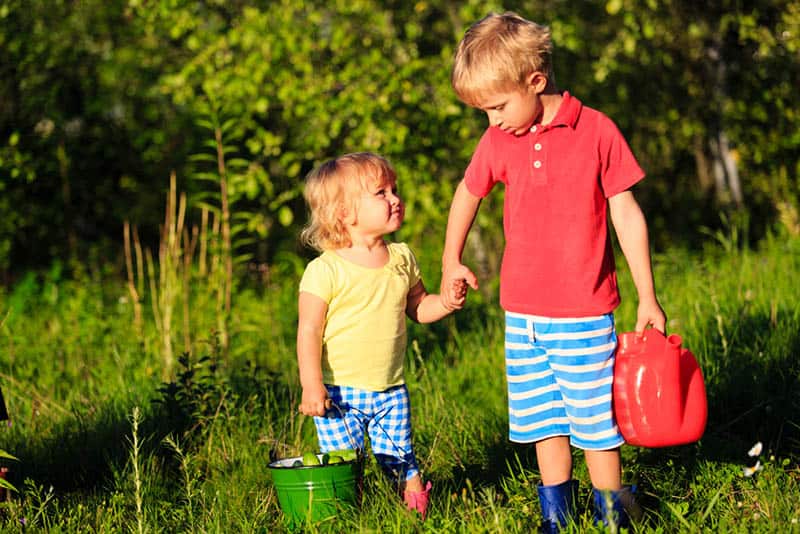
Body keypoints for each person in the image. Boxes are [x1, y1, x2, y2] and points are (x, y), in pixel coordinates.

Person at [441, 11, 666, 532]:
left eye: (497, 106)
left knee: (595, 426)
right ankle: (556, 518)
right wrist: (451, 257)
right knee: (545, 422)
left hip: (584, 315)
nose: (491, 121)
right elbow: (468, 191)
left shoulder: (596, 131)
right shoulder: (500, 140)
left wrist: (647, 295)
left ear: (535, 82)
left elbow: (627, 214)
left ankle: (612, 514)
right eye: (483, 111)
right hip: (523, 316)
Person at [296, 152, 466, 519]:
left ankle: (416, 519)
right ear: (345, 212)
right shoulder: (324, 270)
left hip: (391, 389)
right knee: (344, 466)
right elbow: (308, 331)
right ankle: (346, 519)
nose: (395, 198)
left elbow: (419, 307)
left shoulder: (402, 257)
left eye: (395, 189)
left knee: (403, 461)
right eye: (381, 192)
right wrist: (312, 385)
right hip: (340, 393)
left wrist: (447, 303)